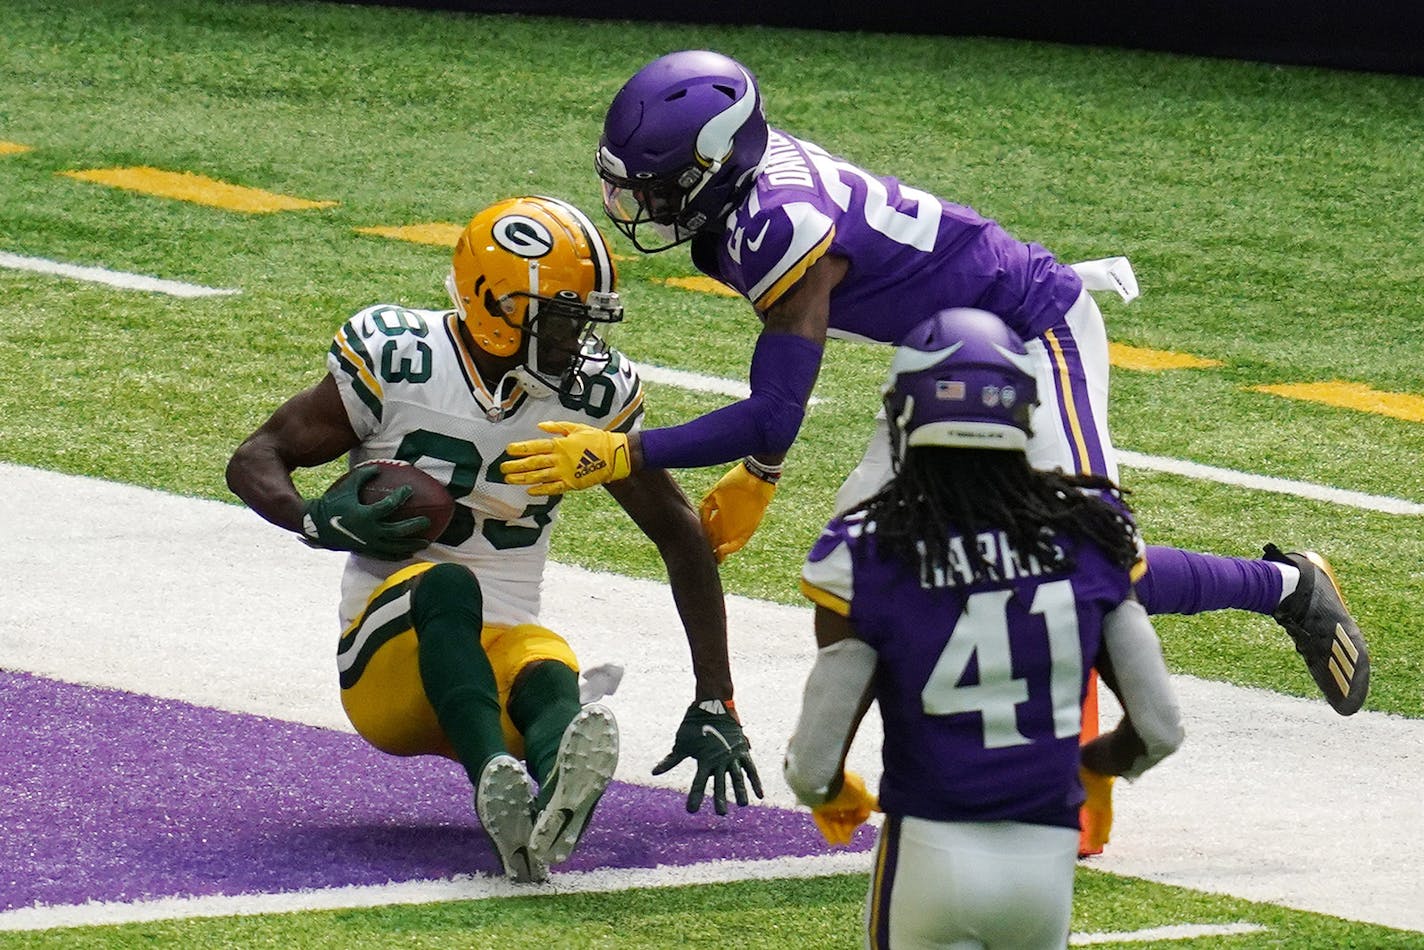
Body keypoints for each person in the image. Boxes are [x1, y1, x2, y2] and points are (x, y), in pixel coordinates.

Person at [499, 49, 1368, 730]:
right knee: (846, 565)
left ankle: (1288, 588)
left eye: (652, 188)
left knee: (1105, 566)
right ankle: (891, 758)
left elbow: (774, 406)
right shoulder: (748, 204)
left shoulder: (775, 222)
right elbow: (785, 383)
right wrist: (761, 475)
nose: (636, 206)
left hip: (1032, 336)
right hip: (939, 359)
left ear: (717, 165)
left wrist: (627, 450)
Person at [226, 195, 762, 884]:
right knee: (447, 585)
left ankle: (551, 795)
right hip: (388, 663)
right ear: (494, 306)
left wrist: (716, 697)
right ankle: (493, 784)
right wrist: (311, 518)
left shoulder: (591, 395)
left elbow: (681, 536)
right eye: (563, 320)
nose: (578, 341)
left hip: (498, 663)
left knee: (546, 663)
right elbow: (256, 456)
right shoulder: (402, 358)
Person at [784, 308, 1184, 949]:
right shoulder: (1092, 533)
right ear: (1024, 415)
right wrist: (1096, 764)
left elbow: (812, 764)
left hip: (928, 852)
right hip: (1045, 864)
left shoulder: (865, 550)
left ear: (906, 416)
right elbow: (1160, 728)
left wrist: (835, 792)